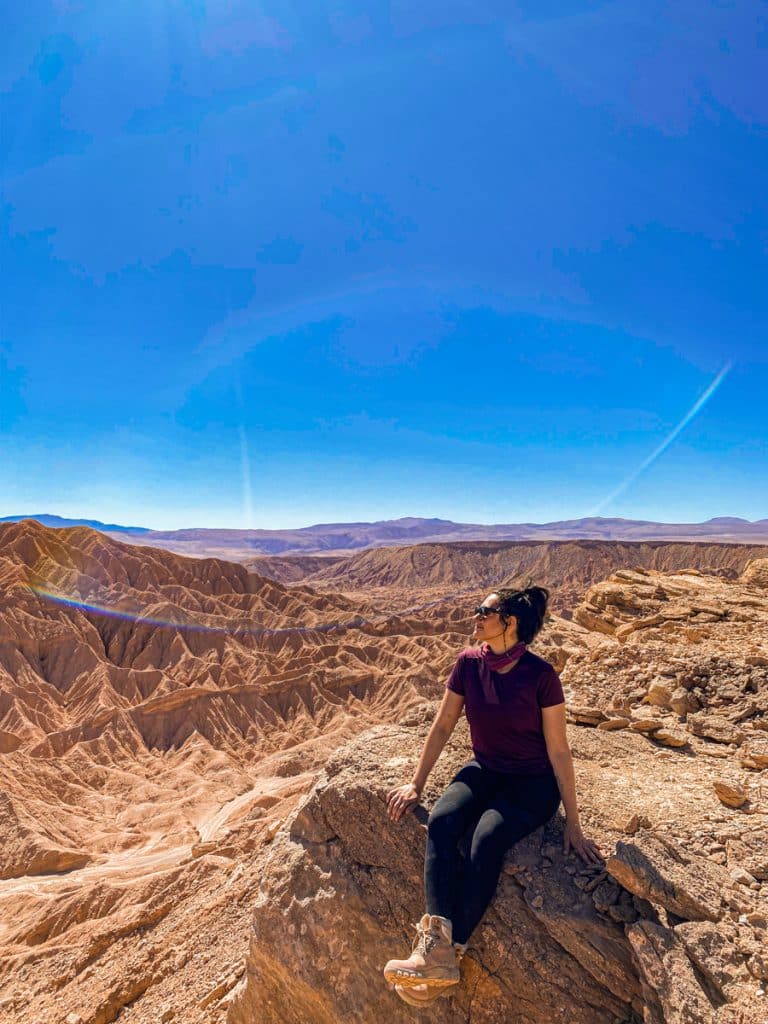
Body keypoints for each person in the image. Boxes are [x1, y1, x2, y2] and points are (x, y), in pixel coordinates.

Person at [383, 586, 602, 1006]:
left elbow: (558, 750)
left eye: (483, 611)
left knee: (485, 839)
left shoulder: (541, 676)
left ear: (510, 622)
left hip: (532, 784)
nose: (475, 618)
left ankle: (447, 955)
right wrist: (416, 782)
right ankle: (433, 943)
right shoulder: (467, 664)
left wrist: (573, 823)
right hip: (485, 769)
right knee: (443, 823)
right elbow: (444, 724)